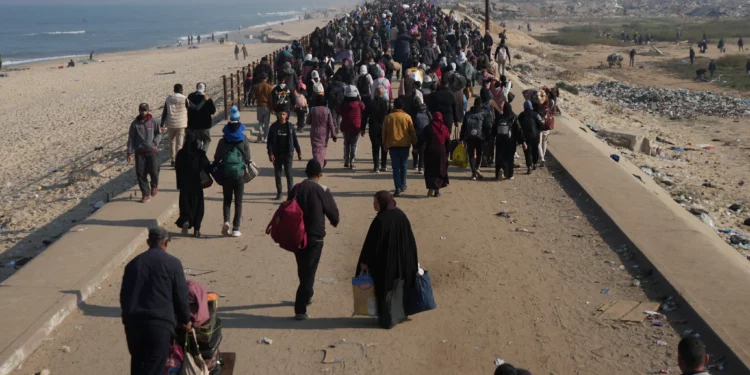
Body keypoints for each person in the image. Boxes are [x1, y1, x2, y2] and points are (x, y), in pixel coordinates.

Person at [120, 226, 190, 375]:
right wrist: (185, 320)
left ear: (147, 242)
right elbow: (181, 296)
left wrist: (127, 321)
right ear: (166, 243)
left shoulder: (133, 264)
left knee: (138, 365)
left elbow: (124, 297)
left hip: (134, 326)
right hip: (159, 326)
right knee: (155, 368)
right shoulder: (173, 263)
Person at [356, 191, 418, 329]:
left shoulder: (380, 220)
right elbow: (410, 242)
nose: (374, 205)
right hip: (401, 263)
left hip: (385, 264)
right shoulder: (401, 215)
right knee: (399, 289)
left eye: (376, 202)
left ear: (383, 203)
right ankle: (400, 315)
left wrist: (365, 262)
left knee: (385, 291)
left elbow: (371, 244)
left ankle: (387, 319)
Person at [289, 159, 340, 320]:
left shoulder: (296, 188)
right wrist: (333, 221)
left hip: (297, 235)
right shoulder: (322, 190)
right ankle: (300, 308)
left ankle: (308, 293)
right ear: (319, 175)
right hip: (315, 236)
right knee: (309, 271)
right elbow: (334, 215)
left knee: (303, 268)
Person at [214, 106, 253, 237]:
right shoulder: (243, 139)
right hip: (240, 174)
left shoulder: (223, 140)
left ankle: (226, 221)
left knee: (227, 200)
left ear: (230, 119)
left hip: (226, 173)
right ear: (239, 119)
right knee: (238, 202)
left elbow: (216, 158)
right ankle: (236, 228)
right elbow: (248, 158)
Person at [175, 132, 210, 238]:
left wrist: (179, 184)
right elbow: (207, 166)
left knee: (185, 205)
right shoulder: (200, 153)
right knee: (198, 207)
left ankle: (186, 220)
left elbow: (177, 168)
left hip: (184, 185)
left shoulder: (181, 153)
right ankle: (197, 230)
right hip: (197, 185)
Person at [127, 103, 162, 203]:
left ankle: (154, 185)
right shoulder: (134, 124)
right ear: (139, 110)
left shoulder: (154, 121)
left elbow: (159, 133)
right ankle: (145, 194)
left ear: (148, 111)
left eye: (145, 110)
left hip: (152, 151)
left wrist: (155, 142)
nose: (143, 112)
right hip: (140, 152)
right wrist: (129, 152)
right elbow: (131, 139)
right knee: (141, 174)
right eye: (141, 110)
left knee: (154, 171)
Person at [383, 98, 418, 197]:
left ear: (394, 106)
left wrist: (385, 144)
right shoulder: (407, 117)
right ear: (403, 106)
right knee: (404, 166)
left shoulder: (388, 117)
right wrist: (415, 143)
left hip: (393, 145)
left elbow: (384, 132)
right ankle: (403, 184)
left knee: (395, 168)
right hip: (405, 144)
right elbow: (412, 132)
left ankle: (397, 187)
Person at [267, 109, 302, 200]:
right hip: (277, 154)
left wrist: (299, 151)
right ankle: (279, 193)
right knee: (277, 174)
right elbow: (269, 142)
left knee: (288, 174)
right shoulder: (274, 127)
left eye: (283, 114)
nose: (281, 116)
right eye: (280, 114)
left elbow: (294, 140)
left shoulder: (290, 127)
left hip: (288, 154)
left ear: (287, 115)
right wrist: (270, 153)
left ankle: (290, 194)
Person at [417, 112, 450, 197]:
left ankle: (431, 186)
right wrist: (447, 152)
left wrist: (416, 147)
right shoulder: (445, 128)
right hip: (441, 150)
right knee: (440, 169)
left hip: (430, 150)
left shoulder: (428, 127)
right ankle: (437, 190)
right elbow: (448, 141)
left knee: (430, 169)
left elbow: (421, 139)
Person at [461, 98, 492, 180]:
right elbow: (487, 127)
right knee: (479, 153)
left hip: (469, 137)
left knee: (471, 155)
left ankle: (473, 172)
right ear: (481, 104)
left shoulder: (468, 114)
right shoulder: (484, 114)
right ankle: (477, 168)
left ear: (474, 104)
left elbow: (463, 126)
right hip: (480, 137)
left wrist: (462, 138)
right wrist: (487, 138)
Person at [494, 100, 525, 180]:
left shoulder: (499, 118)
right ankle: (509, 174)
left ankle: (498, 172)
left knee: (499, 156)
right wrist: (523, 142)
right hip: (510, 142)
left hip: (500, 140)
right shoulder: (513, 118)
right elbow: (519, 131)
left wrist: (491, 138)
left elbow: (493, 129)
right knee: (509, 158)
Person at [160, 84, 189, 167]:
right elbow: (189, 110)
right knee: (179, 144)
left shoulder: (168, 98)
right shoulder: (185, 98)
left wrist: (162, 124)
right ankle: (178, 160)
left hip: (171, 123)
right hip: (181, 124)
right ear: (181, 89)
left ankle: (173, 160)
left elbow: (165, 112)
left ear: (174, 89)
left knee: (172, 142)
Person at [363, 87, 390, 173]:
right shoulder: (386, 104)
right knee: (384, 146)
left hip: (373, 127)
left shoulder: (370, 103)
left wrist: (362, 128)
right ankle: (384, 165)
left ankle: (376, 166)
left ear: (375, 93)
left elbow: (365, 116)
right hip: (384, 127)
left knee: (375, 147)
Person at [339, 82, 365, 169]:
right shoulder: (359, 103)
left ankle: (346, 160)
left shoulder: (344, 104)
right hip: (356, 126)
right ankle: (352, 161)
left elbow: (338, 110)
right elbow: (364, 108)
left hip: (345, 126)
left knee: (347, 143)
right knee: (354, 144)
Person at [307, 95, 337, 168]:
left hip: (314, 132)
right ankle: (320, 164)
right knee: (322, 149)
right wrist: (333, 134)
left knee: (315, 149)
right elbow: (331, 124)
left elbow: (308, 121)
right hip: (324, 133)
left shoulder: (312, 109)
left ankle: (318, 165)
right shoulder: (327, 110)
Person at [187, 83, 217, 152]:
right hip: (205, 125)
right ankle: (202, 155)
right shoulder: (207, 99)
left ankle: (197, 156)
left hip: (193, 125)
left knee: (198, 141)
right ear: (205, 89)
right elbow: (213, 111)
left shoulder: (190, 97)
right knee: (207, 140)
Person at [518, 100, 543, 174]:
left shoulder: (521, 115)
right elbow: (541, 126)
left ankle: (529, 166)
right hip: (535, 136)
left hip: (525, 137)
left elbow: (518, 125)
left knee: (527, 152)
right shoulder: (536, 114)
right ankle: (535, 163)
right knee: (535, 150)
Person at [411, 97, 431, 174]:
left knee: (415, 148)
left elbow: (411, 123)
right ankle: (421, 167)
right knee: (422, 150)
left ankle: (415, 163)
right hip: (425, 132)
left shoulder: (414, 111)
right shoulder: (426, 109)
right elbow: (431, 119)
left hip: (416, 132)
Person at [253, 74, 274, 142]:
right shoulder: (269, 87)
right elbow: (271, 99)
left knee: (260, 121)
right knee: (266, 122)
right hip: (266, 105)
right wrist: (272, 108)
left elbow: (253, 96)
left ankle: (259, 131)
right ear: (267, 78)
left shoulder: (257, 86)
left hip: (259, 105)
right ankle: (265, 137)